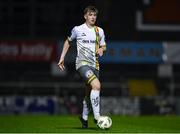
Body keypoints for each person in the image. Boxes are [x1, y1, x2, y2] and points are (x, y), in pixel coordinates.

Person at [57, 5, 106, 128]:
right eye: (90, 15)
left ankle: (84, 118)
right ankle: (97, 117)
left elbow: (104, 46)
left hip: (95, 66)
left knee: (89, 93)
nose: (93, 17)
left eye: (94, 15)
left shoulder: (99, 31)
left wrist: (102, 49)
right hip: (82, 64)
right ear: (85, 16)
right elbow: (68, 41)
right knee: (97, 85)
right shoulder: (77, 29)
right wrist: (62, 57)